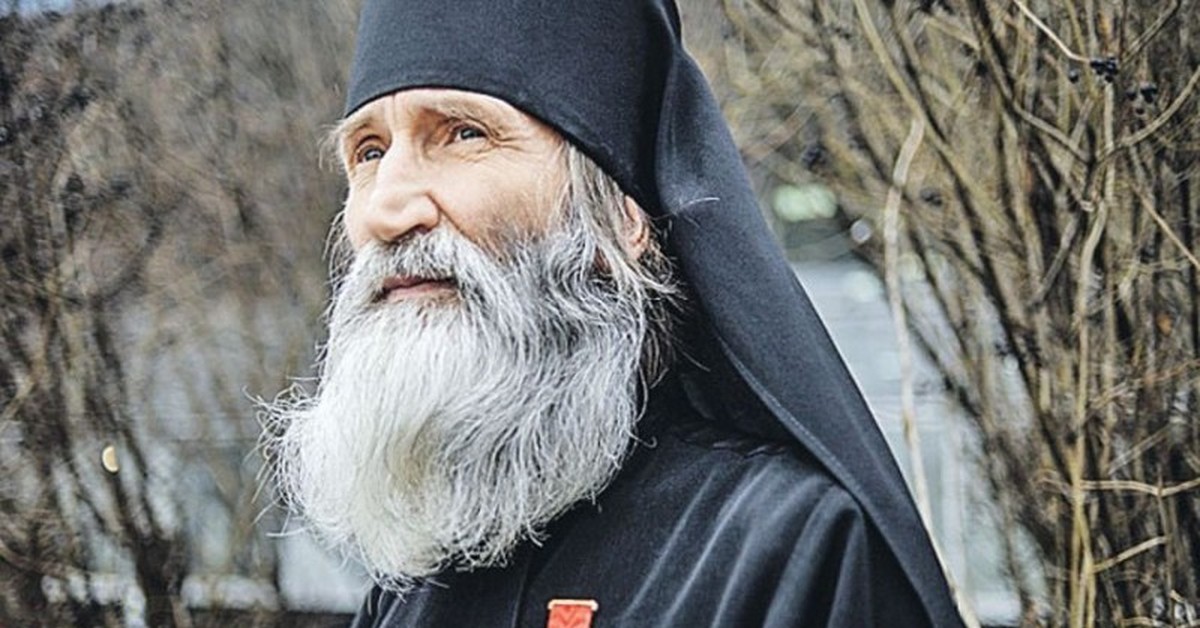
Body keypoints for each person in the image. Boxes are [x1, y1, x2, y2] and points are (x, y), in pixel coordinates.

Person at [262, 1, 966, 626]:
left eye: (464, 134)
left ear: (622, 217)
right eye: (369, 151)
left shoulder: (796, 549)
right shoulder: (411, 592)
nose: (384, 209)